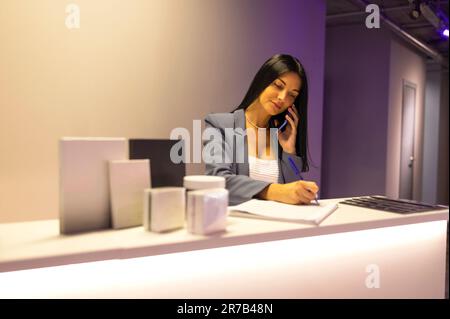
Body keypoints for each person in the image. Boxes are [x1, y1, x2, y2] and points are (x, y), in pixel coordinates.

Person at [203, 54, 319, 206]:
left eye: (292, 95)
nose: (282, 97)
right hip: (238, 226)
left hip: (278, 227)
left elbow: (292, 196)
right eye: (278, 85)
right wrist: (276, 191)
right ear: (263, 81)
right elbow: (218, 181)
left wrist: (289, 152)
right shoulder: (220, 124)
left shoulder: (280, 135)